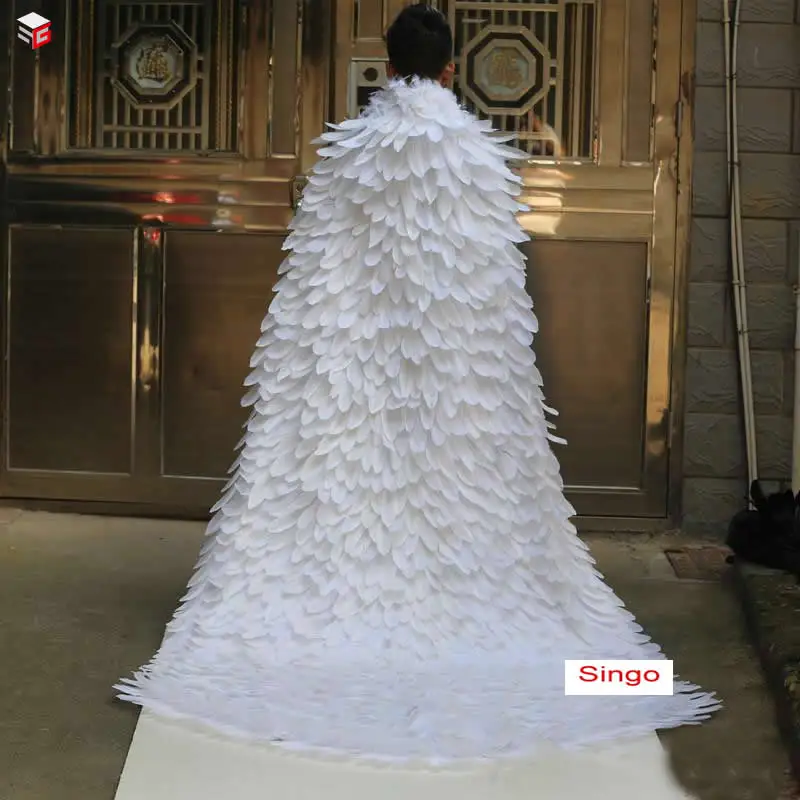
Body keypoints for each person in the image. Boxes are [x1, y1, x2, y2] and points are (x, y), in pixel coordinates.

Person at [116, 3, 719, 762]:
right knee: (463, 498)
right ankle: (601, 676)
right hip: (458, 381)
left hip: (354, 372)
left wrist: (312, 371)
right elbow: (493, 290)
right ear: (452, 68)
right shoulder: (477, 156)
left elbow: (314, 275)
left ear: (388, 62)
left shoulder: (347, 153)